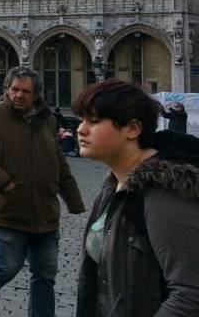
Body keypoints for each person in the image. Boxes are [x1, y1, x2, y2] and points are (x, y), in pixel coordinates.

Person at [0, 66, 85, 317]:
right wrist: (3, 183)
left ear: (36, 95)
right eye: (14, 90)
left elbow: (58, 160)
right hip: (9, 208)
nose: (18, 95)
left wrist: (73, 200)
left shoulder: (48, 120)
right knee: (7, 266)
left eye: (25, 91)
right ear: (6, 90)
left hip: (45, 210)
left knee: (46, 275)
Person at [73, 79, 199, 316]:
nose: (81, 129)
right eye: (81, 119)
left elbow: (190, 295)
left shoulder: (165, 192)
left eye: (94, 121)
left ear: (132, 129)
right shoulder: (114, 183)